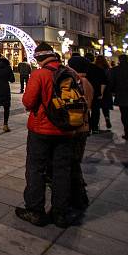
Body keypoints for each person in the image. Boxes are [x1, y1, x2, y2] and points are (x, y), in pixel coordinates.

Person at [15, 42, 74, 228]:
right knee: (61, 170)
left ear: (39, 58)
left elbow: (28, 100)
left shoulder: (40, 74)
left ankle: (35, 210)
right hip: (66, 129)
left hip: (41, 129)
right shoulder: (69, 73)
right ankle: (60, 213)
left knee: (36, 169)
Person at [66, 55, 94, 211]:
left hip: (77, 127)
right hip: (84, 126)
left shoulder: (79, 83)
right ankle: (79, 195)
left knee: (72, 163)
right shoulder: (88, 83)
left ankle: (78, 198)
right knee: (75, 162)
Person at [84, 53, 110, 134]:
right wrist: (101, 93)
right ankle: (95, 128)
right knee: (96, 110)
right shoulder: (99, 69)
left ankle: (87, 128)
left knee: (86, 110)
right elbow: (103, 82)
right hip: (96, 92)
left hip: (86, 92)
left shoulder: (85, 69)